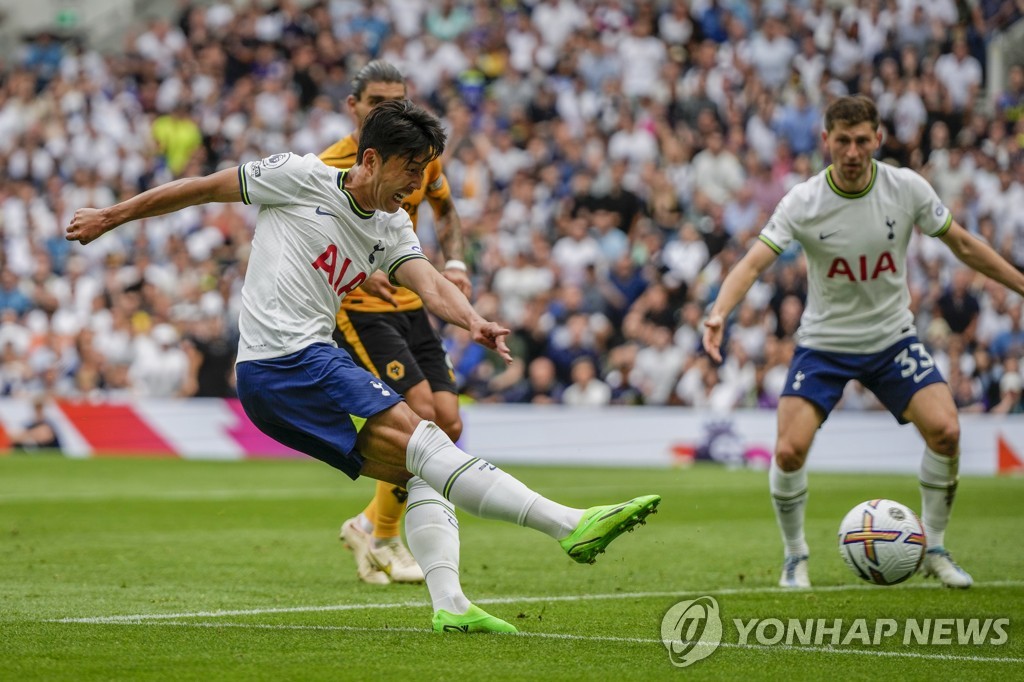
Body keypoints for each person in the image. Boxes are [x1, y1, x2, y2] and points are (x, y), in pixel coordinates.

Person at [66, 99, 660, 633]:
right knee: (428, 440)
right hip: (289, 361)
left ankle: (451, 605)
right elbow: (198, 188)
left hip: (281, 380)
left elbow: (427, 282)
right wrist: (112, 217)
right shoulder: (299, 176)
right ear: (371, 160)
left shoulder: (390, 224)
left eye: (425, 172)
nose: (416, 186)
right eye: (410, 170)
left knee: (423, 467)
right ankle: (568, 525)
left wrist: (472, 320)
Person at [702, 95, 1024, 590]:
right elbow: (751, 263)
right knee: (788, 452)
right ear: (825, 140)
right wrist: (719, 311)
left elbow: (962, 244)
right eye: (842, 141)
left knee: (947, 431)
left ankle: (934, 547)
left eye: (861, 140)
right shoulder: (803, 201)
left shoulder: (906, 188)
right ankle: (795, 557)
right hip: (824, 343)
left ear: (878, 138)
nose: (852, 152)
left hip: (892, 339)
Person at [319, 61, 471, 586]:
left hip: (409, 301)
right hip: (359, 310)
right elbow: (312, 240)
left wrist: (455, 265)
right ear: (353, 106)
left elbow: (447, 212)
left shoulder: (420, 159)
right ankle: (385, 536)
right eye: (376, 100)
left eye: (397, 99)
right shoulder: (331, 165)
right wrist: (358, 279)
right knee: (422, 414)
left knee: (449, 421)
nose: (387, 108)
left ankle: (366, 524)